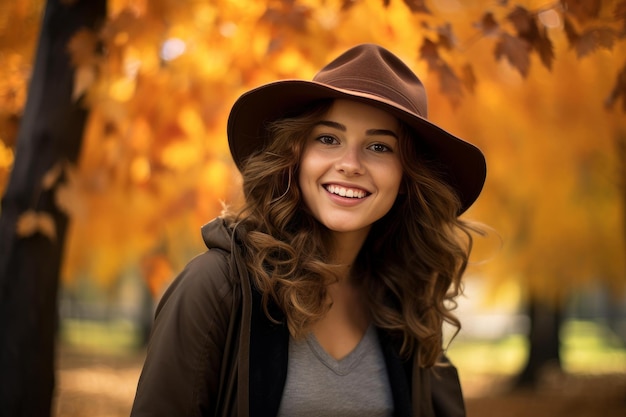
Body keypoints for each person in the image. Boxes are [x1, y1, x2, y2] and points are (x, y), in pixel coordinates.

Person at [130, 43, 487, 417]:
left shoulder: (408, 307)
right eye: (328, 139)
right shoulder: (216, 288)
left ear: (407, 178)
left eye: (379, 146)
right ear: (295, 156)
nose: (350, 164)